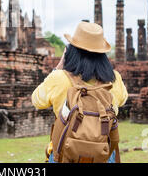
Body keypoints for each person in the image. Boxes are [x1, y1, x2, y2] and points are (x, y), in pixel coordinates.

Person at [31, 21, 128, 163]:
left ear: (71, 51)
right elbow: (123, 99)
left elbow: (37, 100)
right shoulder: (114, 79)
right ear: (102, 55)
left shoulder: (59, 78)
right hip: (104, 155)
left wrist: (58, 67)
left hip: (64, 154)